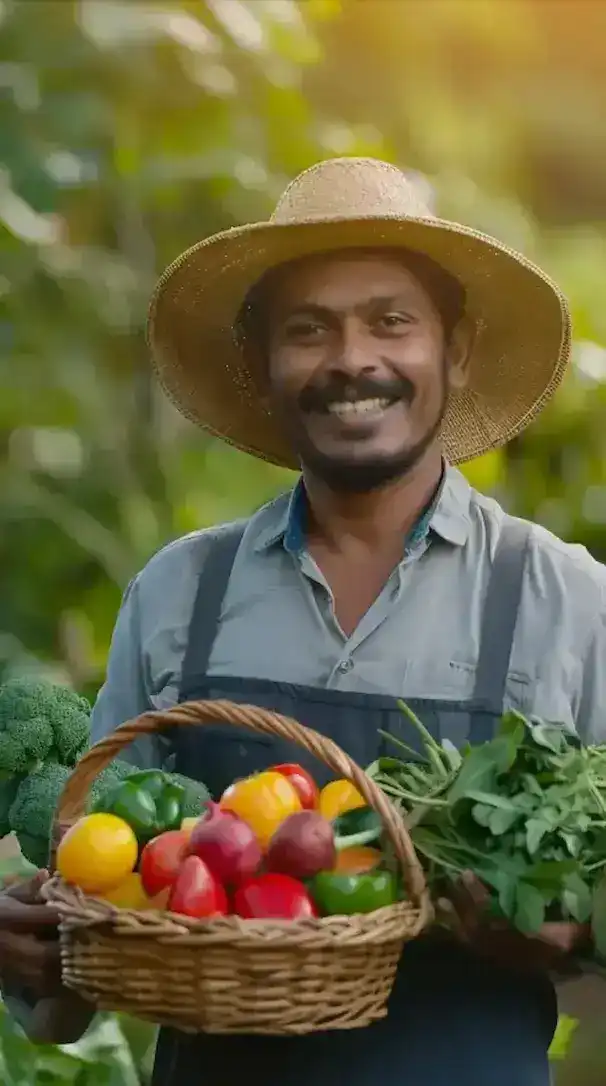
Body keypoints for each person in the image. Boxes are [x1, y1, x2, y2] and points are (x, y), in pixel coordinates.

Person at [1, 156, 605, 1084]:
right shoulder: (180, 594)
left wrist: (571, 938)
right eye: (308, 329)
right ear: (262, 365)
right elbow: (91, 941)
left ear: (456, 350)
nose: (352, 359)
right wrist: (40, 957)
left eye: (391, 321)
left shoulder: (566, 600)